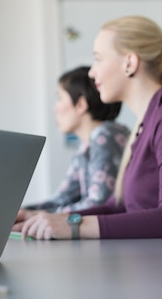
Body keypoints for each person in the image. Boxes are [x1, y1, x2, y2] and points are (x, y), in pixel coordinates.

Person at [18, 15, 162, 246]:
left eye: (98, 59)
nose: (92, 73)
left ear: (130, 63)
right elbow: (117, 205)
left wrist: (74, 227)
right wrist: (52, 218)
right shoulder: (147, 121)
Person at [14, 66, 130, 224]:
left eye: (60, 98)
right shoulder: (87, 146)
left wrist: (35, 216)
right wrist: (20, 213)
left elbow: (98, 204)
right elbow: (61, 199)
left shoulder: (105, 136)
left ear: (81, 105)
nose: (55, 108)